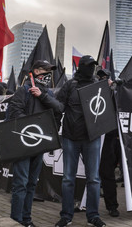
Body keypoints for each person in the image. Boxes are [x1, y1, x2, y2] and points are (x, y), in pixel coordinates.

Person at [7, 59, 63, 227]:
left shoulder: (49, 94)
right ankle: (16, 220)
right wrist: (35, 127)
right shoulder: (23, 91)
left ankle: (27, 219)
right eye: (45, 71)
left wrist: (42, 95)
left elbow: (59, 109)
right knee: (21, 183)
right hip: (24, 145)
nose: (48, 75)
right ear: (36, 71)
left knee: (32, 183)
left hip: (39, 145)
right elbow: (14, 115)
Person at [55, 55, 106, 227]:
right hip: (71, 137)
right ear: (81, 66)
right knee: (68, 179)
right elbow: (59, 106)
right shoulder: (70, 85)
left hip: (92, 138)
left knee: (94, 179)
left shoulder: (98, 84)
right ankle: (66, 216)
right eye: (88, 65)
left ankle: (93, 215)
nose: (91, 68)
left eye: (93, 65)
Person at [97, 68, 122, 219]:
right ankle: (80, 202)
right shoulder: (90, 92)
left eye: (105, 77)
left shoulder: (115, 93)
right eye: (100, 77)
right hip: (90, 138)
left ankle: (112, 206)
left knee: (107, 174)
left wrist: (117, 87)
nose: (103, 80)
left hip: (108, 139)